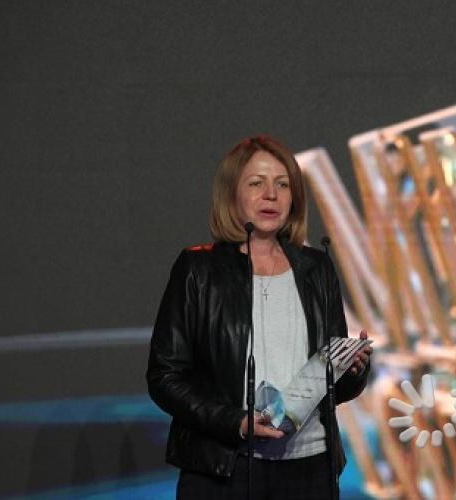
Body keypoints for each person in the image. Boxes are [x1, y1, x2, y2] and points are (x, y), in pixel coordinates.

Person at [146, 134, 373, 499]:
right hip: (225, 469)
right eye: (256, 183)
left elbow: (332, 389)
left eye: (282, 185)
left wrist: (354, 370)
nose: (271, 195)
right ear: (232, 193)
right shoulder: (198, 270)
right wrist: (234, 422)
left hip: (310, 470)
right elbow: (164, 376)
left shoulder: (317, 269)